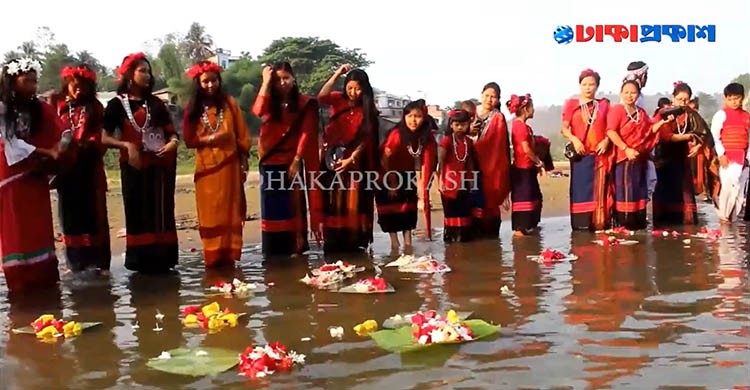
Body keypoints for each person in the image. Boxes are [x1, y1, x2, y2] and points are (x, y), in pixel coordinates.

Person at [102, 52, 179, 273]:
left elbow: (171, 133)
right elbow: (104, 137)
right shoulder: (117, 105)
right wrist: (127, 146)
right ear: (129, 75)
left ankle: (165, 262)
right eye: (141, 71)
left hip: (160, 167)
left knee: (162, 213)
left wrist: (173, 142)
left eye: (148, 71)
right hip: (134, 168)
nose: (147, 75)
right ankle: (142, 265)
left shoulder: (156, 103)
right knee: (138, 213)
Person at [0, 58, 65, 292]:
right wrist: (47, 151)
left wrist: (61, 145)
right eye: (26, 81)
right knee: (17, 231)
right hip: (12, 177)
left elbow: (58, 129)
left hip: (35, 175)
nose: (32, 86)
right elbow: (11, 143)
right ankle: (21, 286)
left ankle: (45, 284)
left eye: (35, 81)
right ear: (11, 81)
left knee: (40, 229)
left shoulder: (38, 108)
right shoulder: (2, 108)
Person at [183, 61, 252, 266]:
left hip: (230, 167)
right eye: (206, 81)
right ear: (198, 83)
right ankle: (213, 259)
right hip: (207, 171)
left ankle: (229, 258)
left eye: (214, 80)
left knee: (231, 212)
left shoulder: (230, 104)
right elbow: (188, 140)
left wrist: (244, 162)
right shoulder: (193, 108)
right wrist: (214, 139)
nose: (211, 85)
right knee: (211, 214)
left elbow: (242, 135)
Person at [253, 62, 322, 257]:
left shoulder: (304, 103)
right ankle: (273, 251)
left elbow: (307, 133)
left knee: (294, 206)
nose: (282, 83)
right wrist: (266, 82)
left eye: (286, 78)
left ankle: (296, 248)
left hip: (292, 162)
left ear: (294, 78)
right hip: (269, 162)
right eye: (278, 80)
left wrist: (297, 159)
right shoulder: (269, 102)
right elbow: (258, 111)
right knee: (272, 209)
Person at [51, 64, 111, 272]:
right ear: (67, 84)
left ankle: (98, 264)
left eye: (83, 87)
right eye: (74, 86)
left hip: (90, 169)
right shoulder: (55, 104)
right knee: (69, 217)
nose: (78, 90)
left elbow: (100, 137)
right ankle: (75, 263)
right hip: (66, 172)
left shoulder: (95, 107)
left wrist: (84, 145)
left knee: (94, 216)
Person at [317, 65, 380, 252]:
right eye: (350, 87)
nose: (353, 92)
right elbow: (321, 96)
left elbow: (367, 138)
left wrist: (351, 159)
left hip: (356, 162)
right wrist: (336, 73)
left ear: (365, 88)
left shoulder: (369, 109)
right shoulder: (337, 99)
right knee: (332, 200)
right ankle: (333, 240)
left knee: (354, 200)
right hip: (332, 158)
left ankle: (354, 243)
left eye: (358, 88)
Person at [606, 79, 674, 230]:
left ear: (638, 95)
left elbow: (649, 131)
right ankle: (624, 223)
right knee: (625, 190)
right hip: (624, 159)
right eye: (626, 92)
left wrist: (662, 123)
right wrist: (626, 148)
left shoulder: (641, 113)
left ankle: (638, 223)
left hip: (639, 159)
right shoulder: (617, 110)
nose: (630, 96)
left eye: (633, 93)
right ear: (621, 94)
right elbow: (611, 131)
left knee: (639, 189)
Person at [377, 101, 437, 250]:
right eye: (409, 116)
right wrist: (392, 184)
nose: (413, 120)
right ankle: (394, 243)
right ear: (404, 117)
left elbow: (425, 162)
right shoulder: (397, 135)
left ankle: (408, 243)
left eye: (418, 116)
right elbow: (385, 160)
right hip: (386, 173)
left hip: (407, 174)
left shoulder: (422, 136)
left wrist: (423, 190)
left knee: (408, 209)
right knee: (391, 210)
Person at [652, 81, 713, 226]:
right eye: (679, 99)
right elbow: (665, 136)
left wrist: (698, 146)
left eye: (686, 100)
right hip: (664, 160)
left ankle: (685, 223)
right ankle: (662, 222)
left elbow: (705, 133)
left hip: (681, 158)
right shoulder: (663, 113)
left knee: (683, 191)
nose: (682, 103)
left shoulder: (691, 114)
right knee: (665, 191)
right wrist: (690, 136)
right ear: (673, 98)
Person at [561, 69, 612, 231]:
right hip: (580, 157)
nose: (588, 88)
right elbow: (564, 128)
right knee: (580, 191)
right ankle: (581, 225)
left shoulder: (604, 105)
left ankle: (598, 223)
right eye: (584, 84)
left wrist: (606, 141)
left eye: (591, 84)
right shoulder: (571, 104)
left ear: (597, 85)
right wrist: (575, 140)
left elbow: (611, 128)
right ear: (579, 85)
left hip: (599, 156)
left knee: (600, 191)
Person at [470, 82, 511, 238]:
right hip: (469, 165)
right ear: (481, 95)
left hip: (491, 168)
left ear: (498, 100)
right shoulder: (471, 112)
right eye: (487, 95)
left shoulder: (498, 118)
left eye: (493, 97)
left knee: (489, 203)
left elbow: (501, 147)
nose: (489, 99)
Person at [710, 82, 750, 224]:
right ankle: (723, 216)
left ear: (742, 98)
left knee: (739, 190)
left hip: (743, 158)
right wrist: (721, 154)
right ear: (725, 99)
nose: (734, 102)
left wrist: (748, 158)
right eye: (731, 99)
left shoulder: (747, 116)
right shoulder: (721, 115)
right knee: (728, 185)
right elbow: (715, 136)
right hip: (728, 157)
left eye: (737, 98)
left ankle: (732, 218)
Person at [438, 109, 479, 242]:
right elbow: (441, 162)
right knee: (451, 213)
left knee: (464, 212)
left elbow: (470, 162)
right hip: (449, 182)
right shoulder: (446, 141)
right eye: (457, 125)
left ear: (468, 125)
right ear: (451, 125)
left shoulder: (468, 141)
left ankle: (463, 242)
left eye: (463, 124)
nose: (460, 127)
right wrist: (440, 181)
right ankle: (451, 240)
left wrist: (472, 180)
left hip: (464, 182)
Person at [508, 94, 544, 236]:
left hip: (528, 169)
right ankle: (521, 230)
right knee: (524, 200)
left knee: (534, 197)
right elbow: (526, 149)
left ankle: (530, 227)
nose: (533, 110)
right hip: (522, 170)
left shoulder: (524, 126)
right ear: (525, 109)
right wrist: (538, 162)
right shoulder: (520, 126)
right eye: (532, 107)